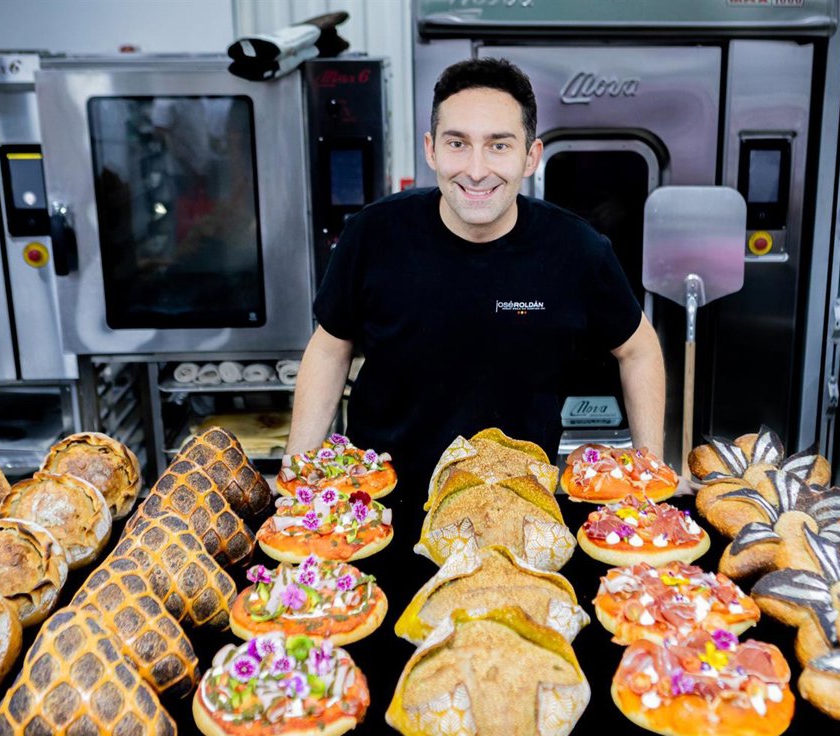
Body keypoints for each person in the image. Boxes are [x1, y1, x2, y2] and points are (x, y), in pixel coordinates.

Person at [285, 57, 666, 508]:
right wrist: (297, 476)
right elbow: (330, 349)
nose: (477, 169)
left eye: (499, 145)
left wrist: (650, 475)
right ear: (431, 150)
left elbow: (639, 349)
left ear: (531, 156)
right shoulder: (373, 234)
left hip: (518, 511)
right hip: (383, 510)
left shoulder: (577, 250)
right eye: (457, 143)